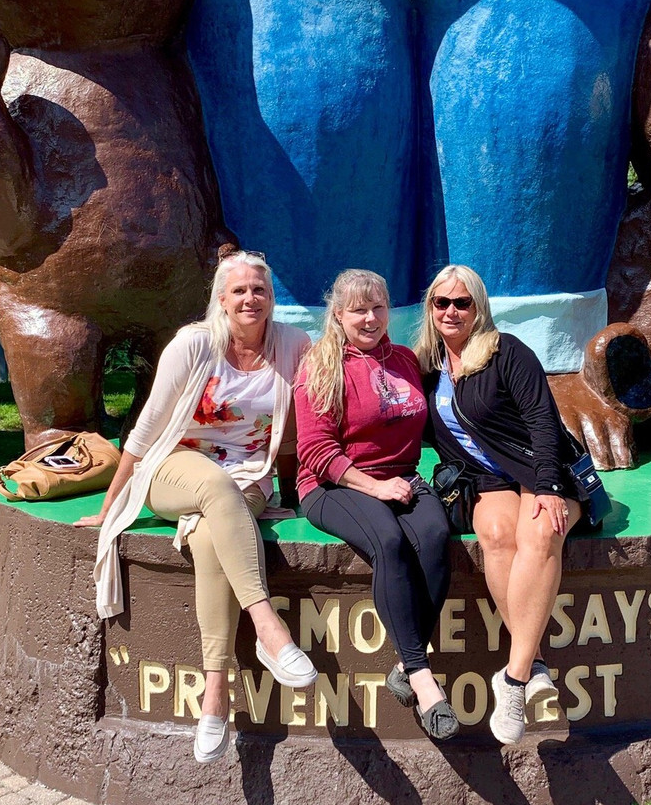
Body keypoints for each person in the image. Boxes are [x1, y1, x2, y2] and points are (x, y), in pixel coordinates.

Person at [77, 249, 317, 764]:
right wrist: (111, 505)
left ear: (271, 299)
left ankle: (215, 696)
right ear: (221, 299)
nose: (250, 298)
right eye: (239, 290)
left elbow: (302, 423)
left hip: (249, 479)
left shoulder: (294, 345)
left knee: (211, 536)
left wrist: (297, 491)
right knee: (213, 483)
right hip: (172, 468)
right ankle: (268, 627)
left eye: (259, 289)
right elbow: (146, 429)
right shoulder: (194, 344)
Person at [413, 264, 583, 745]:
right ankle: (537, 665)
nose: (451, 311)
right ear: (430, 308)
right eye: (441, 302)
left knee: (542, 530)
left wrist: (547, 485)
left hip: (541, 470)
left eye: (462, 302)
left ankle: (513, 678)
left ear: (479, 308)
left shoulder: (506, 351)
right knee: (495, 533)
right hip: (485, 481)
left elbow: (543, 421)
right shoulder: (427, 367)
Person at [294, 269, 459, 741]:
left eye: (378, 307)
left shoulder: (404, 359)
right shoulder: (320, 365)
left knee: (435, 536)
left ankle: (404, 668)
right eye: (358, 310)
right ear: (338, 315)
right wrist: (375, 487)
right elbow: (316, 451)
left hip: (402, 478)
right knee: (389, 541)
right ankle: (422, 677)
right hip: (331, 485)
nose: (370, 318)